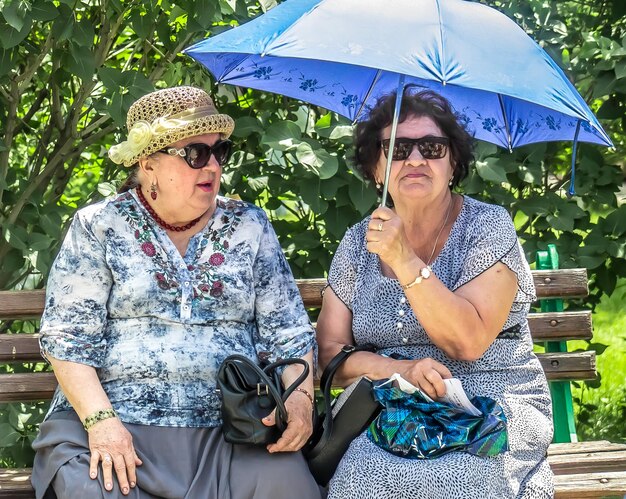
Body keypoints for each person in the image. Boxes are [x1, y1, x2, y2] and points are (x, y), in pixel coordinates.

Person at [31, 86, 321, 499]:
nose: (213, 166)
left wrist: (300, 402)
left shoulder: (250, 225)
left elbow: (289, 332)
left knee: (288, 487)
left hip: (234, 430)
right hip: (117, 426)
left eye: (220, 151)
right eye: (195, 154)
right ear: (148, 163)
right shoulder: (100, 225)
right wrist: (102, 425)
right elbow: (67, 338)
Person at [316, 89, 554, 498]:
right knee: (360, 478)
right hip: (394, 408)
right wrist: (398, 371)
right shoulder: (358, 242)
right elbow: (330, 355)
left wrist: (404, 259)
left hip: (489, 401)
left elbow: (467, 341)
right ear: (376, 168)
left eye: (431, 147)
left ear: (453, 162)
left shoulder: (487, 227)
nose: (414, 159)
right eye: (396, 148)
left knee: (457, 478)